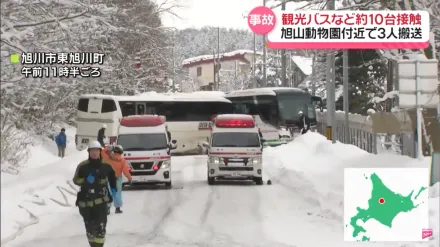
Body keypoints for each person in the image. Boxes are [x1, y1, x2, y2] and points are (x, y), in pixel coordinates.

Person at [72, 141, 117, 247]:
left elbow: (112, 178)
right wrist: (85, 181)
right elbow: (75, 180)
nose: (94, 153)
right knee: (90, 229)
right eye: (92, 151)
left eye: (96, 151)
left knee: (100, 228)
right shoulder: (83, 166)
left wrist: (114, 190)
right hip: (85, 203)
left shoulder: (106, 166)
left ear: (100, 152)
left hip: (101, 202)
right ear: (89, 152)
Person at [101, 144, 132, 214]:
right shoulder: (122, 161)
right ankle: (117, 208)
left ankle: (108, 207)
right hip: (118, 179)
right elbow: (125, 171)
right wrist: (130, 178)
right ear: (121, 152)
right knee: (117, 193)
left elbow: (102, 152)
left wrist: (107, 148)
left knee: (108, 193)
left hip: (108, 178)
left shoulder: (108, 159)